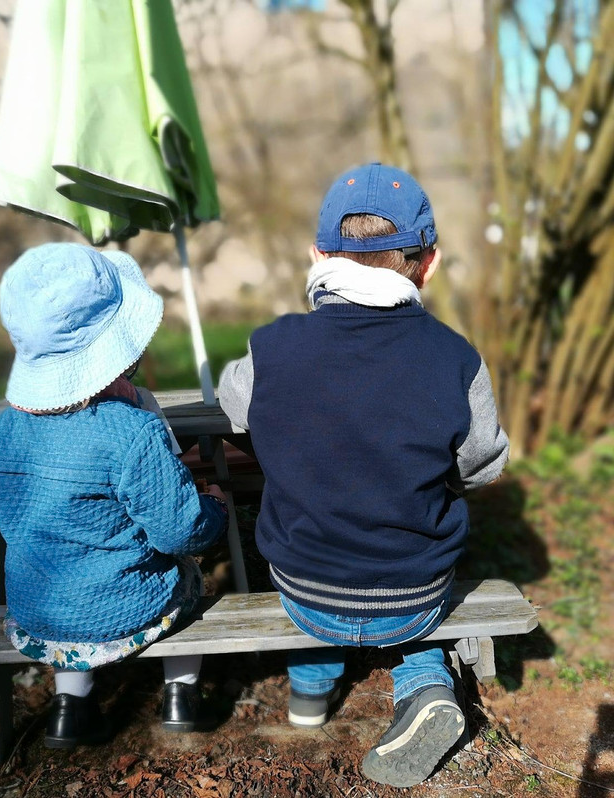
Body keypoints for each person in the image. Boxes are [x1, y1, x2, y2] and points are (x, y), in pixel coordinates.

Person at [217, 162, 509, 788]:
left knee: (318, 600)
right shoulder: (455, 357)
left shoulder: (272, 347)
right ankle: (427, 682)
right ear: (427, 263)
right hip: (413, 593)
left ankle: (308, 698)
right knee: (413, 619)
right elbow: (483, 464)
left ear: (317, 254)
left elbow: (235, 406)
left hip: (306, 586)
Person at [0, 242, 228, 748]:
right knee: (189, 577)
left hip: (36, 614)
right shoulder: (132, 431)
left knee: (75, 591)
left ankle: (70, 708)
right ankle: (180, 696)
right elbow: (179, 532)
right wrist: (213, 507)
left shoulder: (3, 429)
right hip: (127, 610)